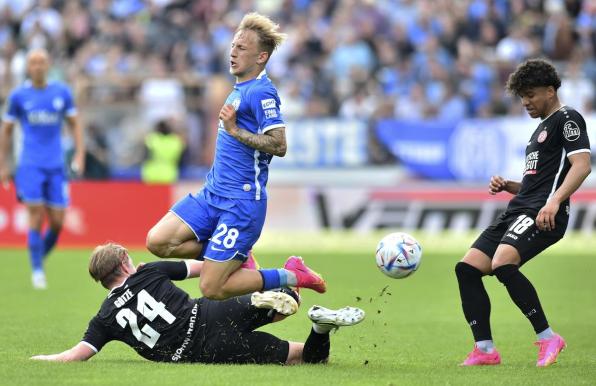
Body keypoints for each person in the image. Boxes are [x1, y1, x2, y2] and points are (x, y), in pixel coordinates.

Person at [145, 13, 326, 299]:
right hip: (212, 193)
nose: (233, 52)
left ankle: (292, 274)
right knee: (158, 241)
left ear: (261, 57)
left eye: (242, 48)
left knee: (212, 288)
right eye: (233, 45)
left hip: (241, 202)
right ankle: (237, 256)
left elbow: (279, 145)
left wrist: (234, 130)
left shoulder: (262, 93)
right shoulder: (238, 89)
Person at [455, 58, 591, 367]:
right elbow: (539, 181)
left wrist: (554, 202)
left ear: (550, 90)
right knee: (467, 268)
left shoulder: (567, 118)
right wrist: (510, 185)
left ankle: (548, 337)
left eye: (531, 94)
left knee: (503, 262)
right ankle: (485, 350)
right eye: (521, 96)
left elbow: (582, 166)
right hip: (520, 209)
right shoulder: (539, 131)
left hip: (544, 213)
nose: (525, 102)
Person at [30, 243, 365, 364]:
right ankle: (287, 288)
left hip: (206, 351)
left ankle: (319, 328)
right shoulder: (149, 272)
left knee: (302, 357)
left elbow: (77, 354)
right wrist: (245, 263)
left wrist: (41, 357)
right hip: (209, 312)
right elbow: (207, 270)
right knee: (285, 298)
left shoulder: (103, 319)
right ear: (124, 262)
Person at [0, 48, 85, 289]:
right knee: (35, 215)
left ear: (48, 65)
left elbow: (75, 124)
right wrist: (3, 163)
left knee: (57, 222)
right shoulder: (18, 96)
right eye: (33, 62)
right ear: (28, 67)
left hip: (56, 165)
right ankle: (37, 270)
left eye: (41, 62)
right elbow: (6, 130)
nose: (37, 66)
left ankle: (38, 256)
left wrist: (79, 154)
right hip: (29, 164)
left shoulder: (61, 93)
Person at [141, 119, 185, 184]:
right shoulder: (176, 142)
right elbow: (181, 161)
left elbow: (145, 156)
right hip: (170, 175)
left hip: (151, 175)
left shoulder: (152, 140)